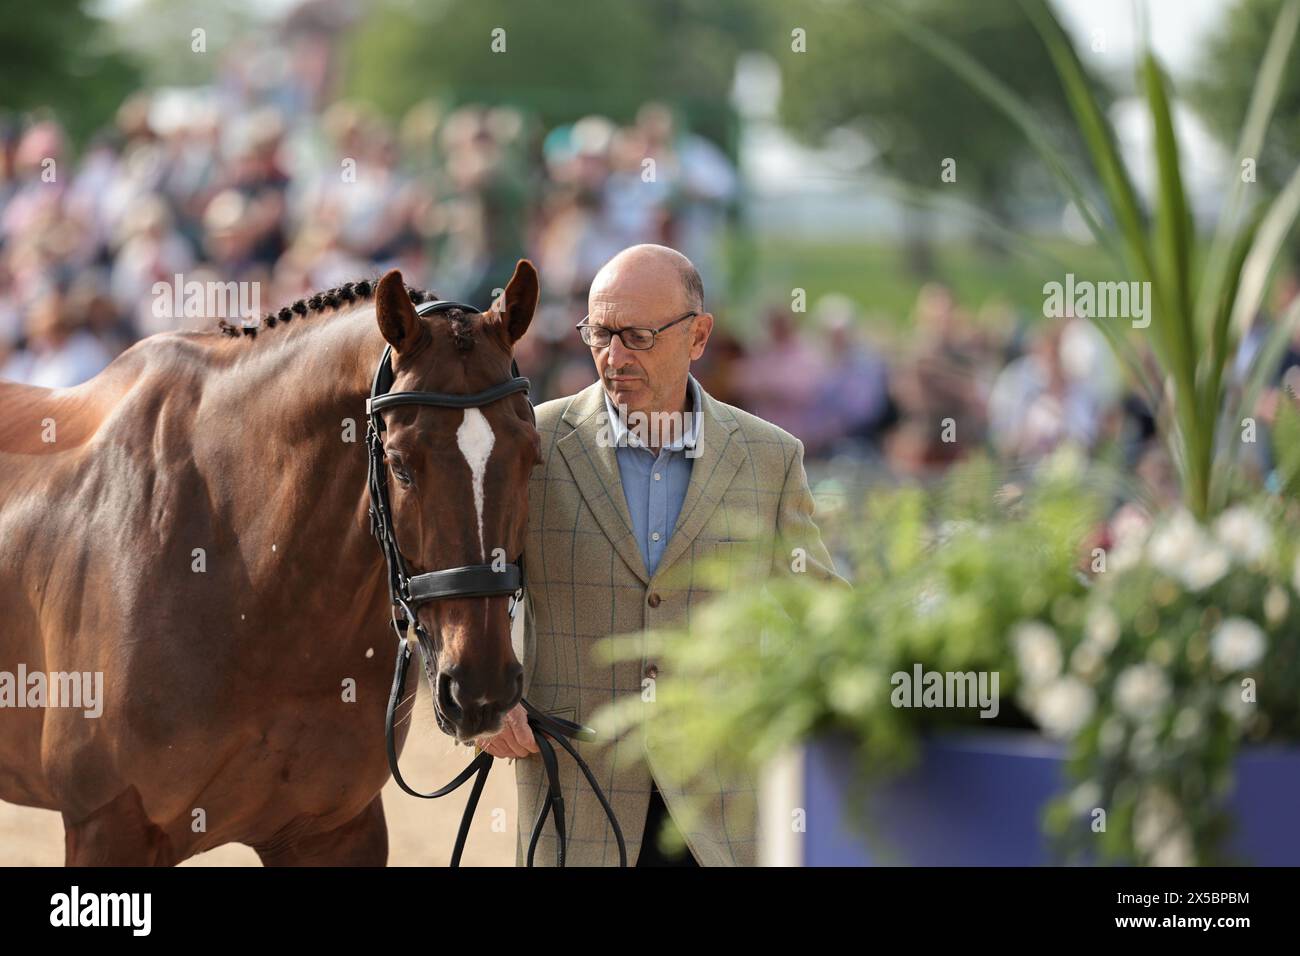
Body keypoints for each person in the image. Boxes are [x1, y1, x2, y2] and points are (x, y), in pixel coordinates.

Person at [479, 244, 844, 866]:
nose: (614, 358)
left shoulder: (771, 458)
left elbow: (821, 609)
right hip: (576, 807)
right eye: (600, 334)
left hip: (721, 816)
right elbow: (450, 584)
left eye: (639, 336)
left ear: (698, 335)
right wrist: (484, 700)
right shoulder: (529, 445)